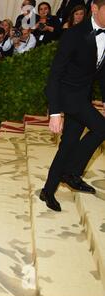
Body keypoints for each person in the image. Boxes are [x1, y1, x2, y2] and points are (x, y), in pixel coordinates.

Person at [41, 0, 105, 212]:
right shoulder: (73, 34)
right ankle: (71, 172)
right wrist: (56, 111)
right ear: (94, 9)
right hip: (69, 97)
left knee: (67, 144)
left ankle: (48, 190)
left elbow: (102, 73)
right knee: (101, 127)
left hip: (83, 97)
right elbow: (55, 75)